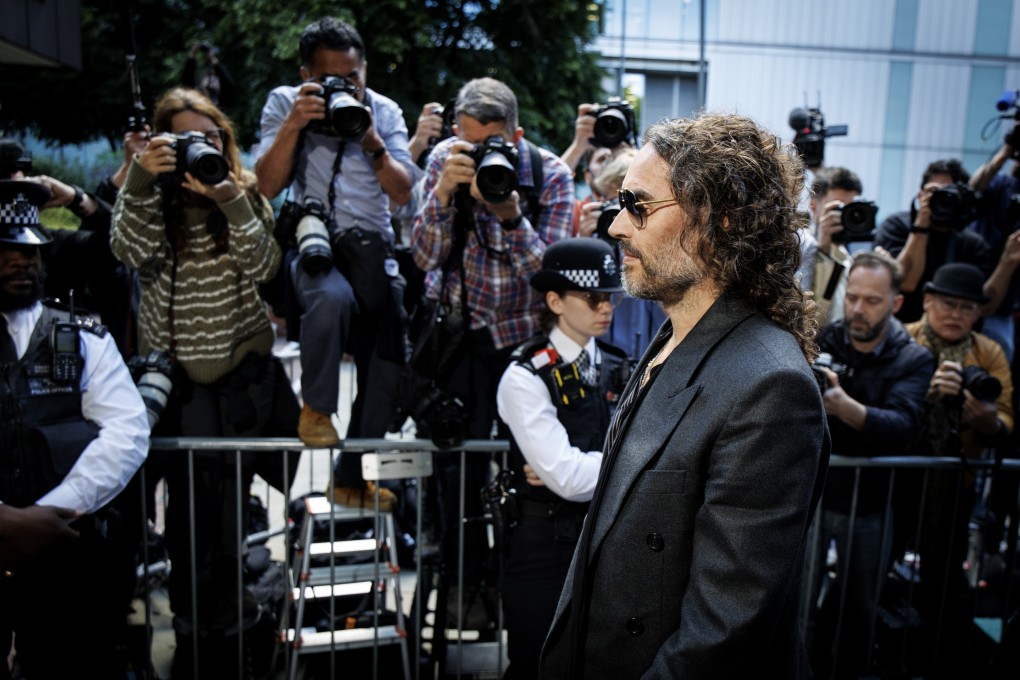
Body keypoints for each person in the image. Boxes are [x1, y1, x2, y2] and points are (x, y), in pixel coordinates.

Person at [539, 114, 830, 679]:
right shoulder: (672, 335)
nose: (618, 226)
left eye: (639, 206)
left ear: (717, 222)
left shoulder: (772, 386)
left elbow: (724, 631)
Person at [111, 87, 299, 677]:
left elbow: (266, 269)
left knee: (230, 524)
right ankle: (196, 640)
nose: (202, 149)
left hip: (239, 389)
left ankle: (235, 634)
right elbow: (126, 249)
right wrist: (141, 180)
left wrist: (228, 199)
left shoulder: (244, 196)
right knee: (189, 530)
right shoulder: (150, 203)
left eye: (211, 138)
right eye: (185, 140)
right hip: (179, 389)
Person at [411, 77, 574, 616]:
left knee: (520, 469)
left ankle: (515, 586)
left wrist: (508, 213)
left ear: (517, 134)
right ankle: (461, 583)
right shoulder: (444, 159)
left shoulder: (549, 173)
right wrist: (441, 195)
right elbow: (424, 258)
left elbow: (550, 278)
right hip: (458, 337)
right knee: (454, 467)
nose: (481, 154)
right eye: (470, 140)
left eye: (492, 143)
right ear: (457, 131)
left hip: (521, 342)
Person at [255, 17, 414, 510]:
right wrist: (295, 124)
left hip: (371, 248)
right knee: (329, 297)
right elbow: (265, 184)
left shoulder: (382, 111)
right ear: (306, 73)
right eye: (331, 78)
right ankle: (317, 409)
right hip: (314, 239)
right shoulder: (286, 103)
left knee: (388, 360)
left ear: (363, 69)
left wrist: (372, 143)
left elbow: (404, 192)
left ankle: (351, 476)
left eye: (353, 77)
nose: (344, 87)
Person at [0, 181, 149, 678]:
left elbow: (125, 431)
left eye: (32, 251)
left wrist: (49, 516)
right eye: (8, 252)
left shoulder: (81, 336)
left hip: (65, 548)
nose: (24, 262)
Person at [496, 237, 629, 680]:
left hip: (608, 542)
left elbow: (570, 471)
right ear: (554, 300)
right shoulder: (524, 374)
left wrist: (583, 467)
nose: (604, 307)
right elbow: (569, 480)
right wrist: (632, 464)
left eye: (609, 296)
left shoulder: (622, 365)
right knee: (538, 665)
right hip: (543, 547)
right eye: (591, 297)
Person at [810, 250, 934, 679]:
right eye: (853, 298)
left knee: (858, 609)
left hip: (872, 502)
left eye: (873, 300)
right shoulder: (825, 338)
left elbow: (904, 425)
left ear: (896, 303)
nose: (858, 309)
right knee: (798, 600)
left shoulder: (913, 358)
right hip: (817, 493)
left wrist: (847, 409)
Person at [905, 262, 1013, 679]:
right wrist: (925, 399)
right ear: (928, 301)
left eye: (968, 308)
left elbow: (1005, 418)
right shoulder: (904, 338)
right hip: (901, 479)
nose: (956, 314)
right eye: (948, 303)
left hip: (957, 482)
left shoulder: (989, 353)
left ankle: (943, 659)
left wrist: (986, 420)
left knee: (946, 581)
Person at [874, 159, 992, 322]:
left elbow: (982, 304)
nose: (941, 198)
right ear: (920, 194)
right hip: (900, 326)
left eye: (949, 193)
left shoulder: (973, 244)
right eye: (935, 192)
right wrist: (921, 224)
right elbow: (905, 282)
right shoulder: (896, 226)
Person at [968, 129, 1020, 360]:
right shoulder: (1001, 184)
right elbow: (975, 186)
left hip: (1007, 305)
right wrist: (1007, 149)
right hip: (973, 293)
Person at [800, 166, 864, 326]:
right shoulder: (799, 245)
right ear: (813, 207)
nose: (845, 217)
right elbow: (809, 315)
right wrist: (822, 249)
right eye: (838, 208)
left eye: (852, 209)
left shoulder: (843, 252)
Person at [182, 41, 235, 110]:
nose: (211, 81)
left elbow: (227, 83)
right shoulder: (196, 97)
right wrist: (192, 54)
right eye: (209, 77)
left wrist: (214, 60)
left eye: (215, 78)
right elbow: (186, 79)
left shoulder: (222, 102)